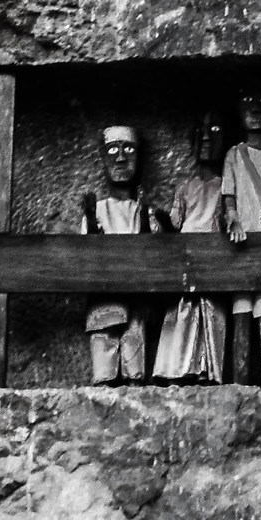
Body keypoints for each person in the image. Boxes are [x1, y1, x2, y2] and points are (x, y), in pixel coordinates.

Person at [150, 114, 228, 384]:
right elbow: (174, 224)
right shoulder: (186, 188)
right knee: (182, 314)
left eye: (215, 130)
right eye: (201, 131)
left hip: (214, 259)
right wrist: (160, 219)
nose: (206, 137)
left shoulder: (226, 188)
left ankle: (206, 370)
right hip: (186, 259)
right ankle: (176, 369)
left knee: (210, 313)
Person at [81, 125, 160, 385]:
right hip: (103, 302)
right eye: (112, 150)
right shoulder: (99, 210)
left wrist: (148, 215)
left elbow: (153, 253)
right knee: (103, 373)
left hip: (136, 304)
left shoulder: (143, 211)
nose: (121, 157)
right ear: (103, 158)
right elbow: (86, 253)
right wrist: (92, 221)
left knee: (135, 370)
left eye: (129, 150)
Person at [221, 86, 261, 385]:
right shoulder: (234, 154)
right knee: (241, 307)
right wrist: (233, 218)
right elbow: (229, 198)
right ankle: (240, 383)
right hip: (241, 242)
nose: (256, 107)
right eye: (248, 100)